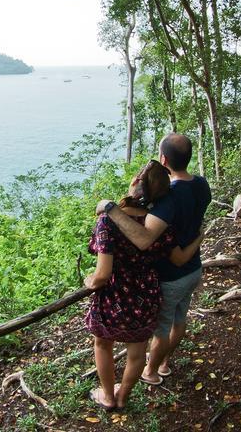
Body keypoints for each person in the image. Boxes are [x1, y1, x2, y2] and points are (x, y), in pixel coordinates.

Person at [84, 159, 204, 411]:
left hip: (114, 294)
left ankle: (108, 396)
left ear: (135, 184)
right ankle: (123, 397)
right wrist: (200, 237)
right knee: (137, 352)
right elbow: (180, 258)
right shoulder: (158, 223)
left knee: (102, 344)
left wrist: (90, 281)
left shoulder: (108, 222)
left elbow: (103, 274)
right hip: (146, 294)